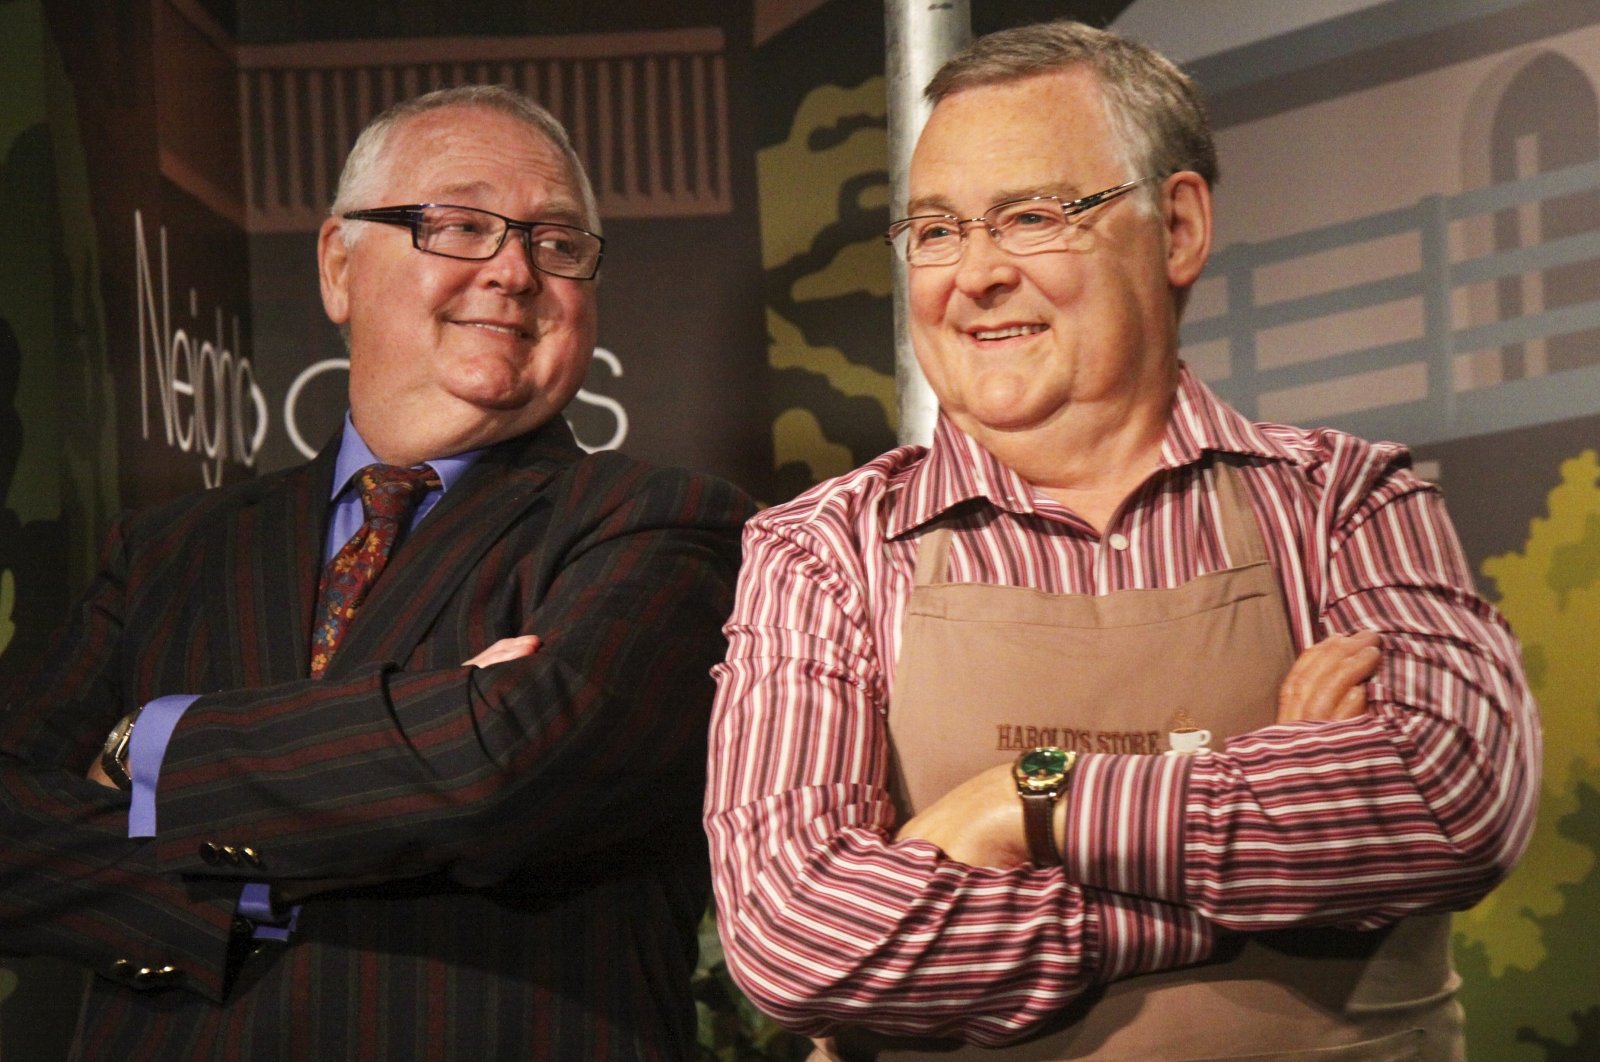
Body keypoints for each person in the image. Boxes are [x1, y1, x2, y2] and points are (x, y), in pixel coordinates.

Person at [705, 20, 1539, 1060]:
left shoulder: (1341, 503)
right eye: (935, 230)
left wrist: (1026, 803)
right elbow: (795, 939)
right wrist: (1260, 887)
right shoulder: (826, 552)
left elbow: (1451, 796)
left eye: (1031, 217)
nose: (973, 275)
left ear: (1178, 225)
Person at [0, 85, 753, 1060]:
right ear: (337, 264)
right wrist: (224, 899)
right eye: (461, 225)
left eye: (558, 242)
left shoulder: (668, 523)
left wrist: (154, 743)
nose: (515, 271)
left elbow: (504, 768)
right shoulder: (166, 551)